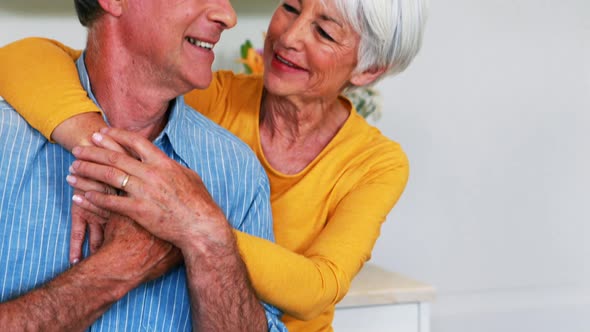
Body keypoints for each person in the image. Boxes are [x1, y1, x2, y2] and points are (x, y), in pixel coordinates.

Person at [0, 0, 429, 330]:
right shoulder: (210, 97)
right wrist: (105, 154)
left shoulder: (374, 163)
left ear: (369, 70)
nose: (289, 37)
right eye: (291, 8)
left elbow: (320, 286)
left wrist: (193, 226)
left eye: (324, 32)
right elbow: (28, 60)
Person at [0, 0, 286, 331]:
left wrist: (210, 240)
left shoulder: (238, 172)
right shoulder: (7, 145)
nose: (228, 16)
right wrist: (123, 263)